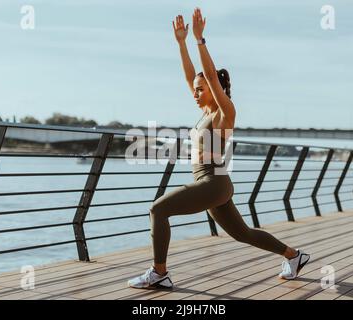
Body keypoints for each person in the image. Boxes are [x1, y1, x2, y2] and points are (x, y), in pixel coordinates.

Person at [128, 8, 309, 289]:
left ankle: (159, 272)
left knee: (158, 210)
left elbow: (210, 76)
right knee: (243, 233)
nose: (195, 92)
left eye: (201, 89)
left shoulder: (224, 114)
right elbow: (192, 75)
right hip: (213, 184)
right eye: (196, 89)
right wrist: (180, 43)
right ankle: (294, 255)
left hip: (213, 182)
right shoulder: (205, 112)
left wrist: (200, 40)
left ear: (215, 90)